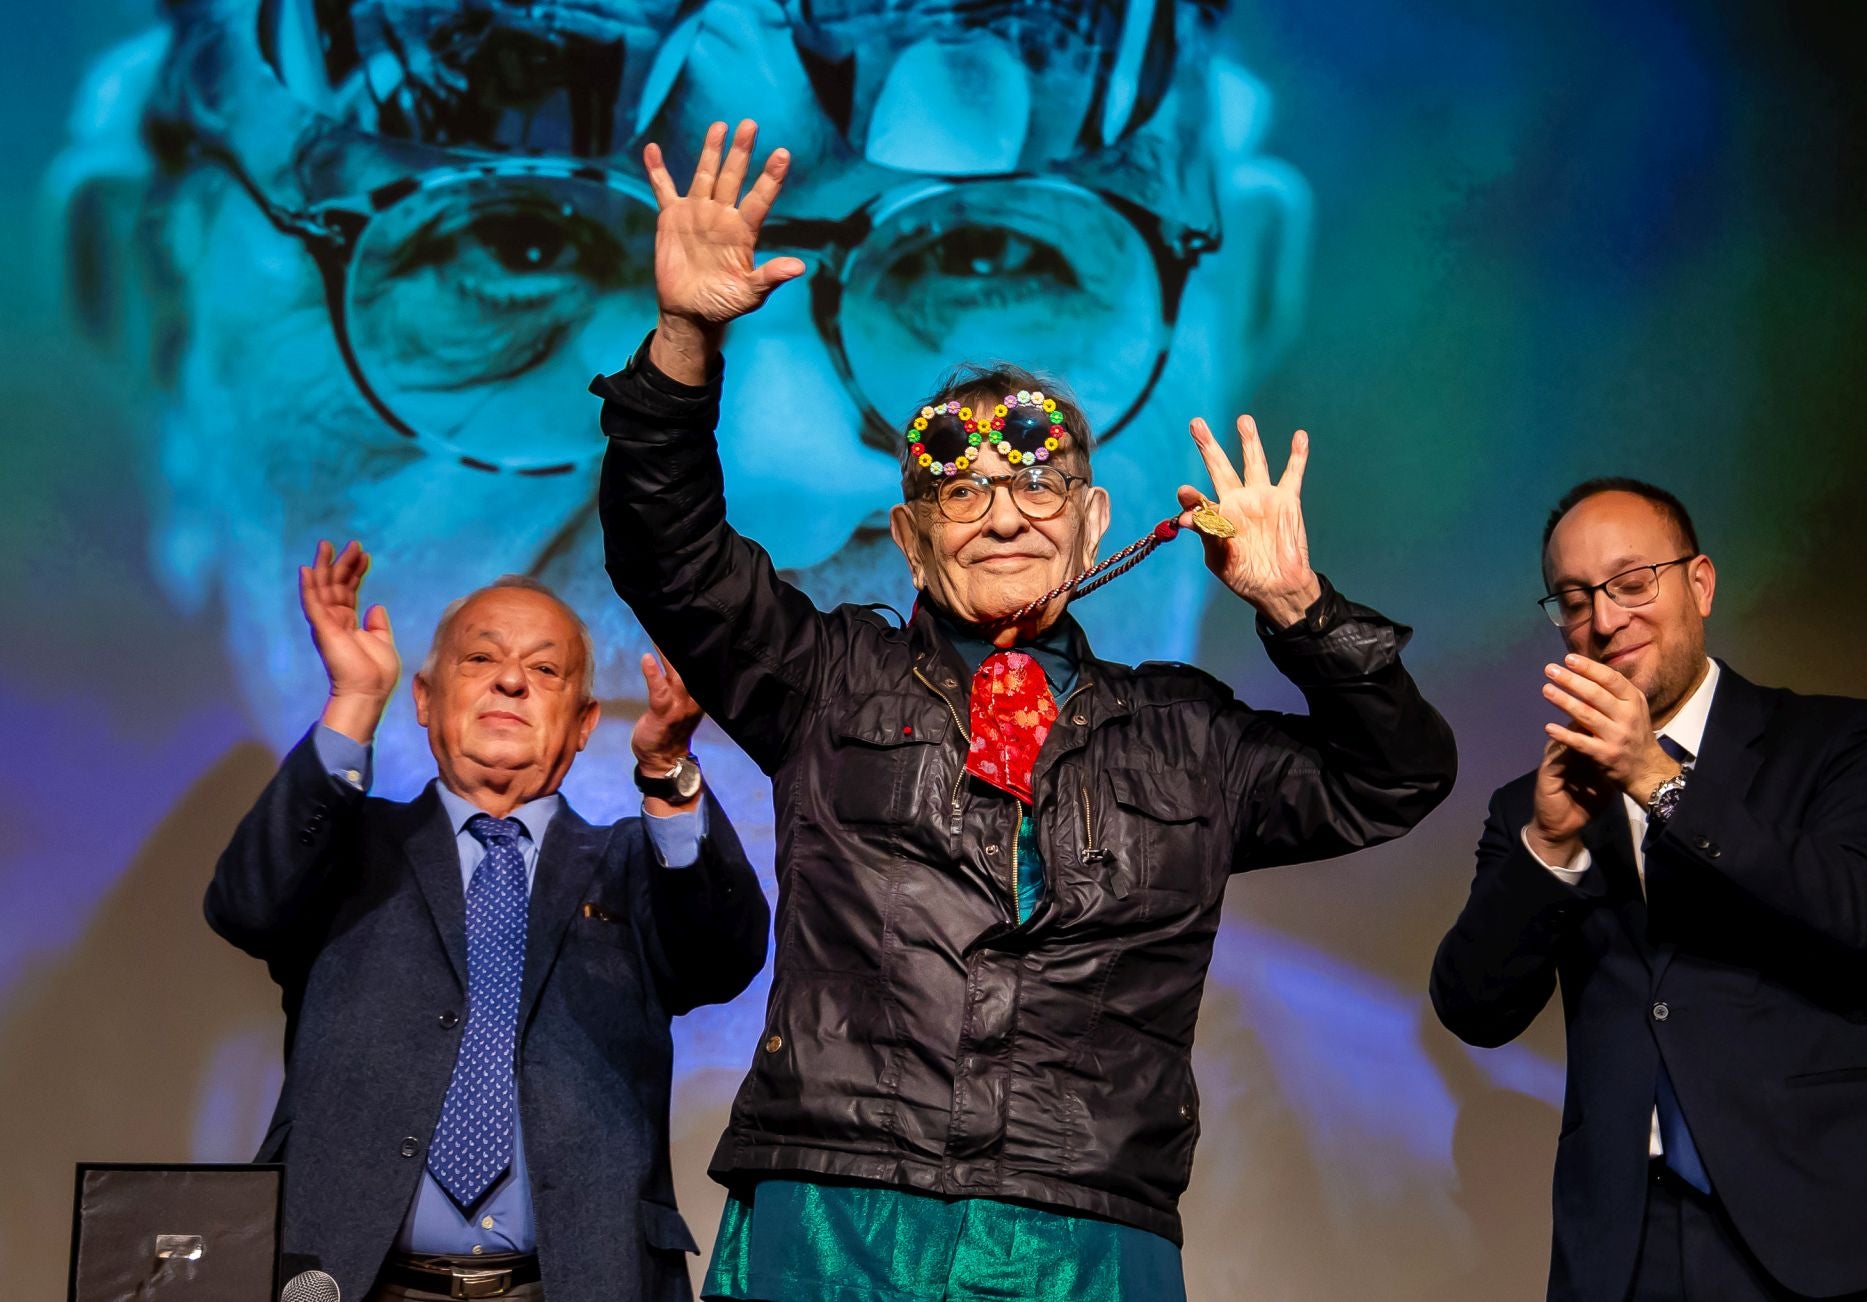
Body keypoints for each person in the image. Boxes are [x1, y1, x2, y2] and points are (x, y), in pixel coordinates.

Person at [593, 120, 1456, 1301]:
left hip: (1083, 1229)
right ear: (910, 541)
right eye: (962, 493)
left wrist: (1301, 608)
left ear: (1094, 524)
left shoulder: (1189, 738)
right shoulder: (824, 679)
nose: (1004, 516)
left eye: (1039, 484)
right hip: (838, 1210)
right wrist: (686, 340)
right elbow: (668, 550)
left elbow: (1396, 775)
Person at [207, 540, 769, 1301]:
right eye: (481, 658)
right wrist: (353, 702)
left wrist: (669, 769)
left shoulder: (632, 863)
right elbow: (246, 907)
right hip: (352, 1281)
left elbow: (724, 957)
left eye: (546, 670)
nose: (511, 680)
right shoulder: (349, 847)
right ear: (423, 699)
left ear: (584, 722)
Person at [1430, 479, 1867, 1302]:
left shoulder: (1833, 738)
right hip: (1626, 1247)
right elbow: (1472, 1006)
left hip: (1829, 1224)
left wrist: (1659, 781)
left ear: (1700, 584)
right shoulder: (1530, 807)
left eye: (1631, 584)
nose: (1604, 619)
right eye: (1574, 600)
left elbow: (1858, 906)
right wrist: (1549, 845)